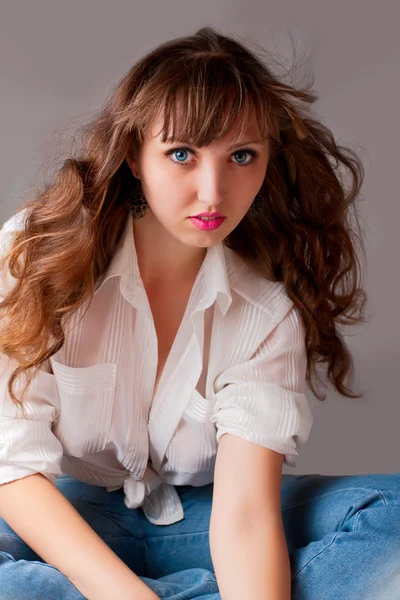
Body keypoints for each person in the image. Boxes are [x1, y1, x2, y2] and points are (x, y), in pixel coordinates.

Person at [0, 25, 398, 600]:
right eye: (181, 154)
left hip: (200, 524)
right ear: (135, 155)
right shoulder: (37, 254)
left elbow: (243, 517)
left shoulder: (265, 311)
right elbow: (10, 468)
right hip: (67, 518)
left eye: (242, 156)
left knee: (393, 514)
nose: (213, 192)